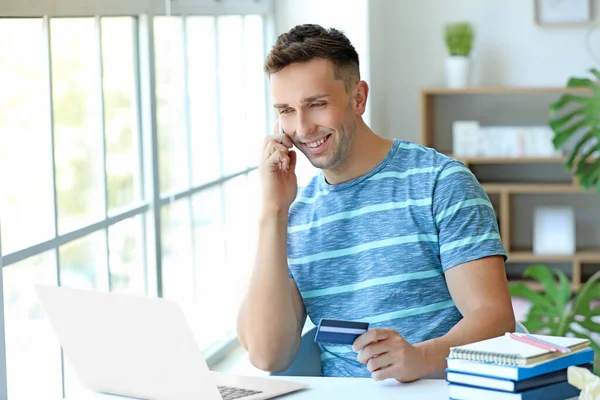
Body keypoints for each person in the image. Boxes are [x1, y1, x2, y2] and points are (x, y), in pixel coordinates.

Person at [236, 23, 515, 382]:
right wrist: (272, 212)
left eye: (316, 104)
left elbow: (494, 316)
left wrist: (420, 358)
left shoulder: (440, 183)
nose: (302, 128)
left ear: (358, 98)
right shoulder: (295, 214)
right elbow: (267, 355)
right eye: (286, 110)